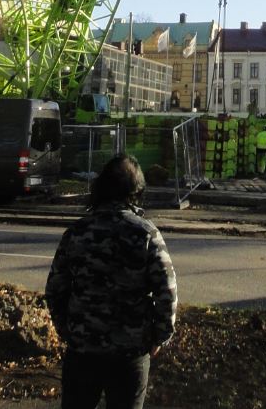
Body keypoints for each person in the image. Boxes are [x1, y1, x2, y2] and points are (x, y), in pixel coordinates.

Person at [45, 153, 177, 409]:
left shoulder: (77, 233)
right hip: (129, 354)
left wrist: (69, 331)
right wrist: (158, 338)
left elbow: (55, 290)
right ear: (136, 192)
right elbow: (166, 294)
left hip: (82, 352)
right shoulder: (147, 234)